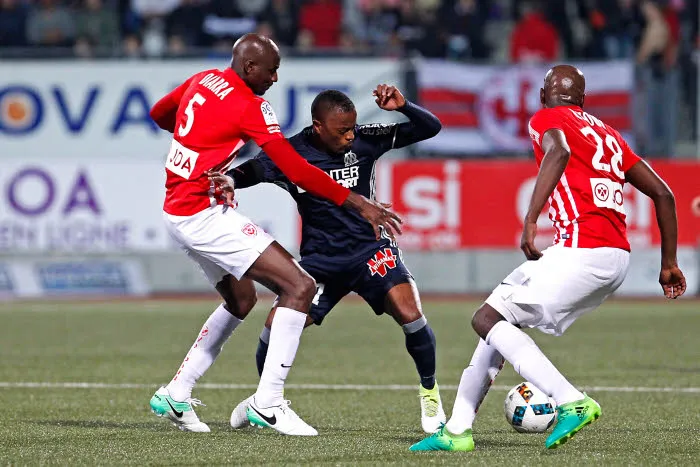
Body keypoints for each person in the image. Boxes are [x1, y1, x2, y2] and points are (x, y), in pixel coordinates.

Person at [410, 64, 686, 452]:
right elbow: (664, 194)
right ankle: (457, 429)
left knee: (485, 319)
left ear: (543, 96)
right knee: (498, 319)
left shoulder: (547, 117)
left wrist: (530, 218)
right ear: (584, 101)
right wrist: (668, 262)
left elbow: (558, 150)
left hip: (582, 250)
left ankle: (570, 399)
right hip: (615, 257)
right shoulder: (609, 135)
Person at [147, 33, 402, 436]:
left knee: (242, 298)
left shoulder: (203, 78)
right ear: (250, 68)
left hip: (176, 210)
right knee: (299, 285)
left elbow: (161, 113)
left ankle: (177, 392)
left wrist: (192, 141)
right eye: (271, 70)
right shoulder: (250, 105)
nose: (276, 78)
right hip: (202, 213)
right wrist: (358, 203)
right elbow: (297, 169)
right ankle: (268, 404)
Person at [214, 85, 446, 433]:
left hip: (371, 252)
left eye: (353, 128)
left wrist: (405, 106)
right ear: (318, 126)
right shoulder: (292, 152)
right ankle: (265, 400)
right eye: (342, 131)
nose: (351, 136)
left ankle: (430, 392)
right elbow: (254, 171)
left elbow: (431, 128)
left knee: (411, 314)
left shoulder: (366, 140)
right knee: (275, 328)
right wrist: (230, 179)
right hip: (320, 262)